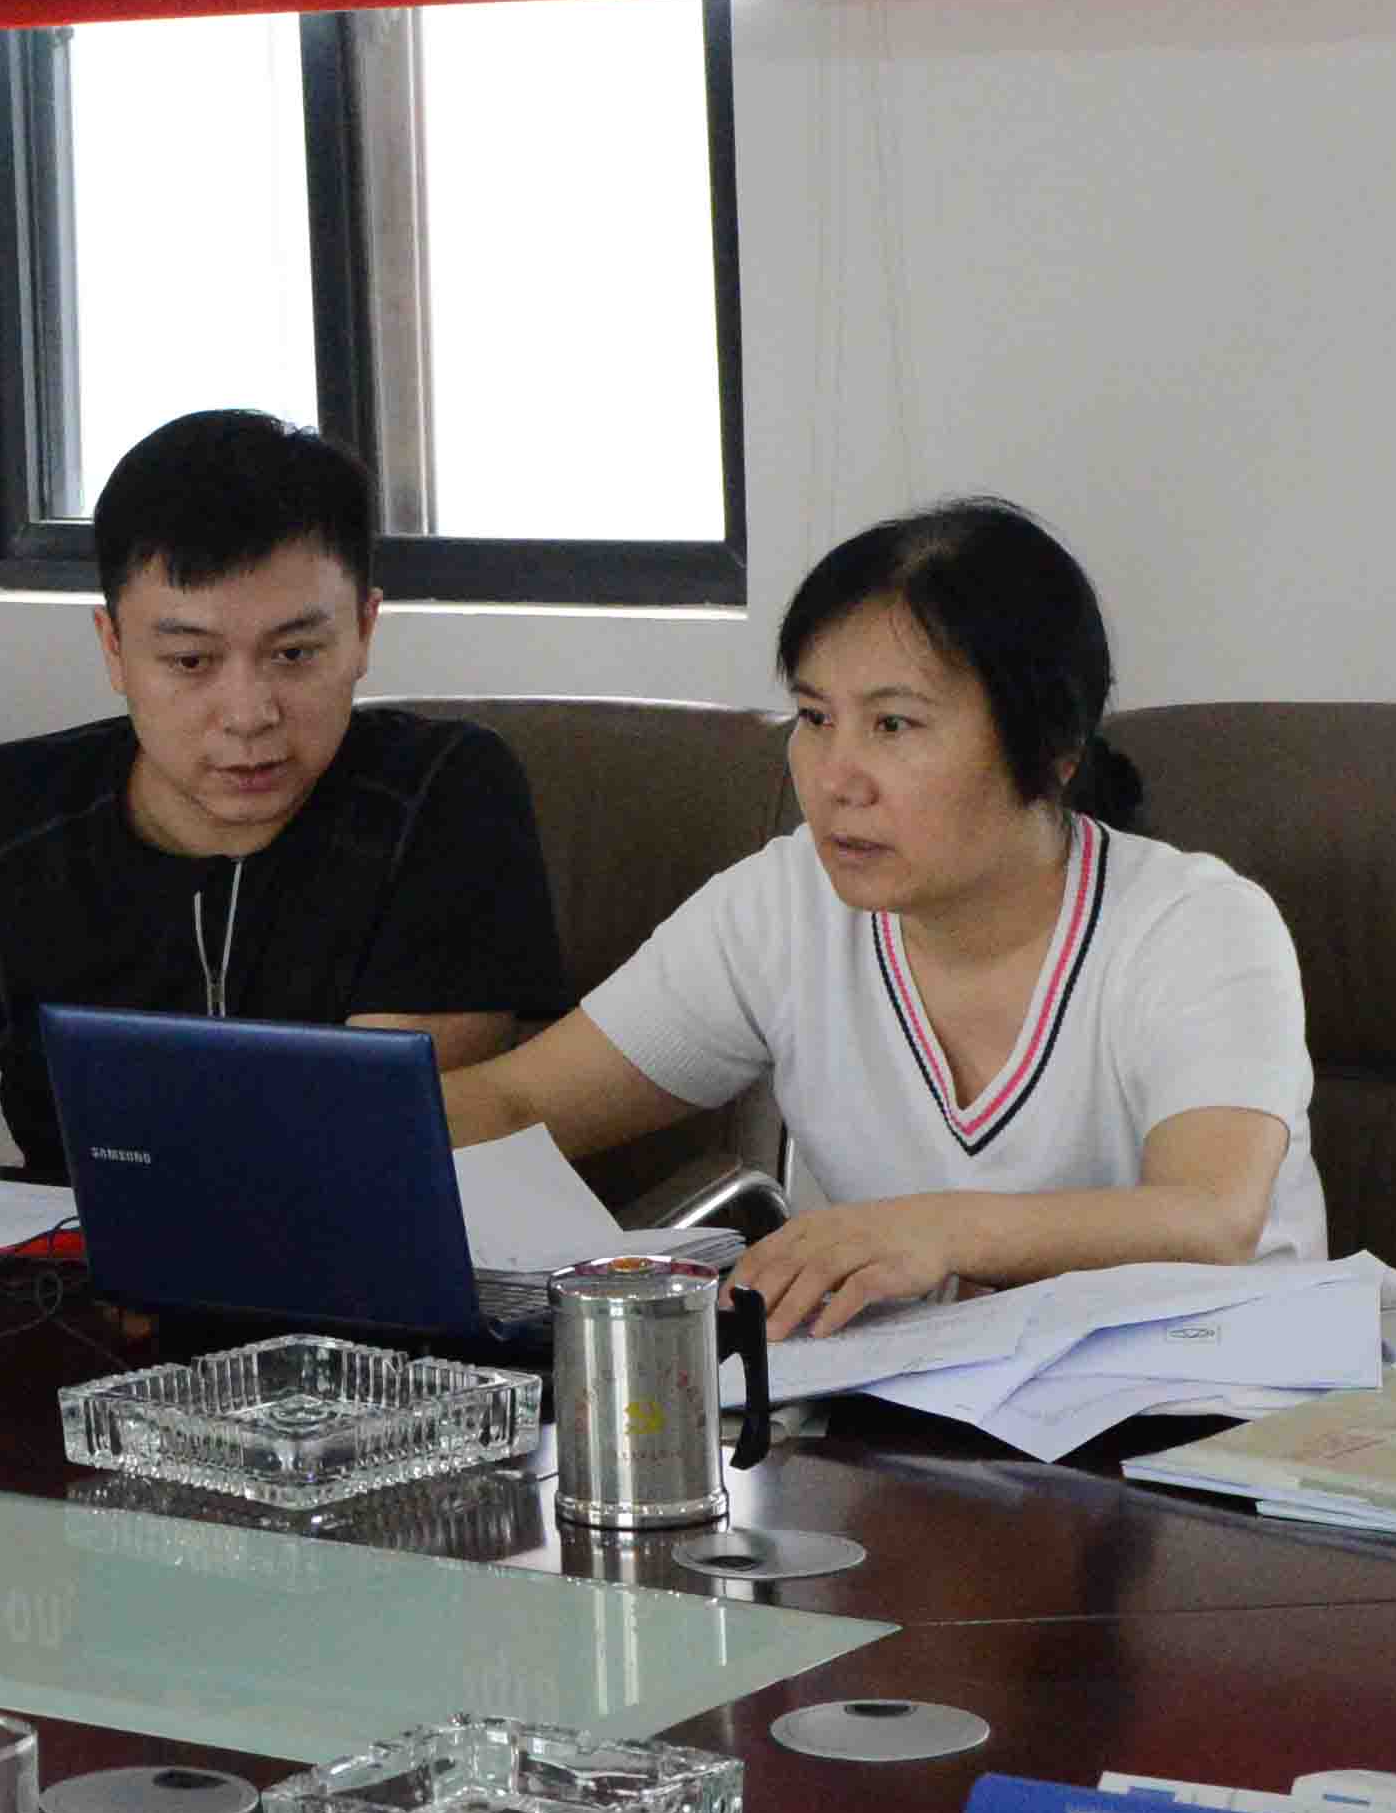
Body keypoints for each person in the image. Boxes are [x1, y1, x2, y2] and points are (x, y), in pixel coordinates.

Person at [443, 499, 1321, 1336]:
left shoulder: (1196, 925)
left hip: (1220, 1411)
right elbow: (515, 1102)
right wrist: (363, 1129)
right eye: (814, 717)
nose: (835, 778)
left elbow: (1209, 1217)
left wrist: (938, 1231)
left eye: (893, 725)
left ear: (1052, 748)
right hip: (912, 1414)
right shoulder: (784, 906)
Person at [0, 409, 563, 1204]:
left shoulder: (442, 795)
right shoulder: (0, 816)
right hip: (77, 1298)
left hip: (356, 1298)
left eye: (294, 654)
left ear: (364, 630)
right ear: (113, 647)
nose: (248, 714)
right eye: (190, 661)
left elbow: (379, 1134)